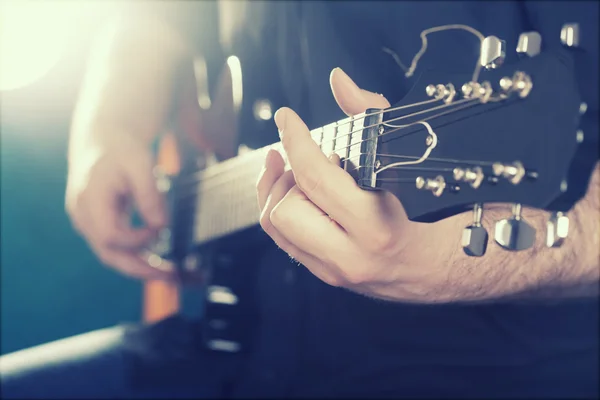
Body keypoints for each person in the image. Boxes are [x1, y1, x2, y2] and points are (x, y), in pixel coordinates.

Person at [1, 1, 598, 398]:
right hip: (228, 344)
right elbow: (161, 16)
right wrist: (112, 124)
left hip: (474, 372)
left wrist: (440, 266)